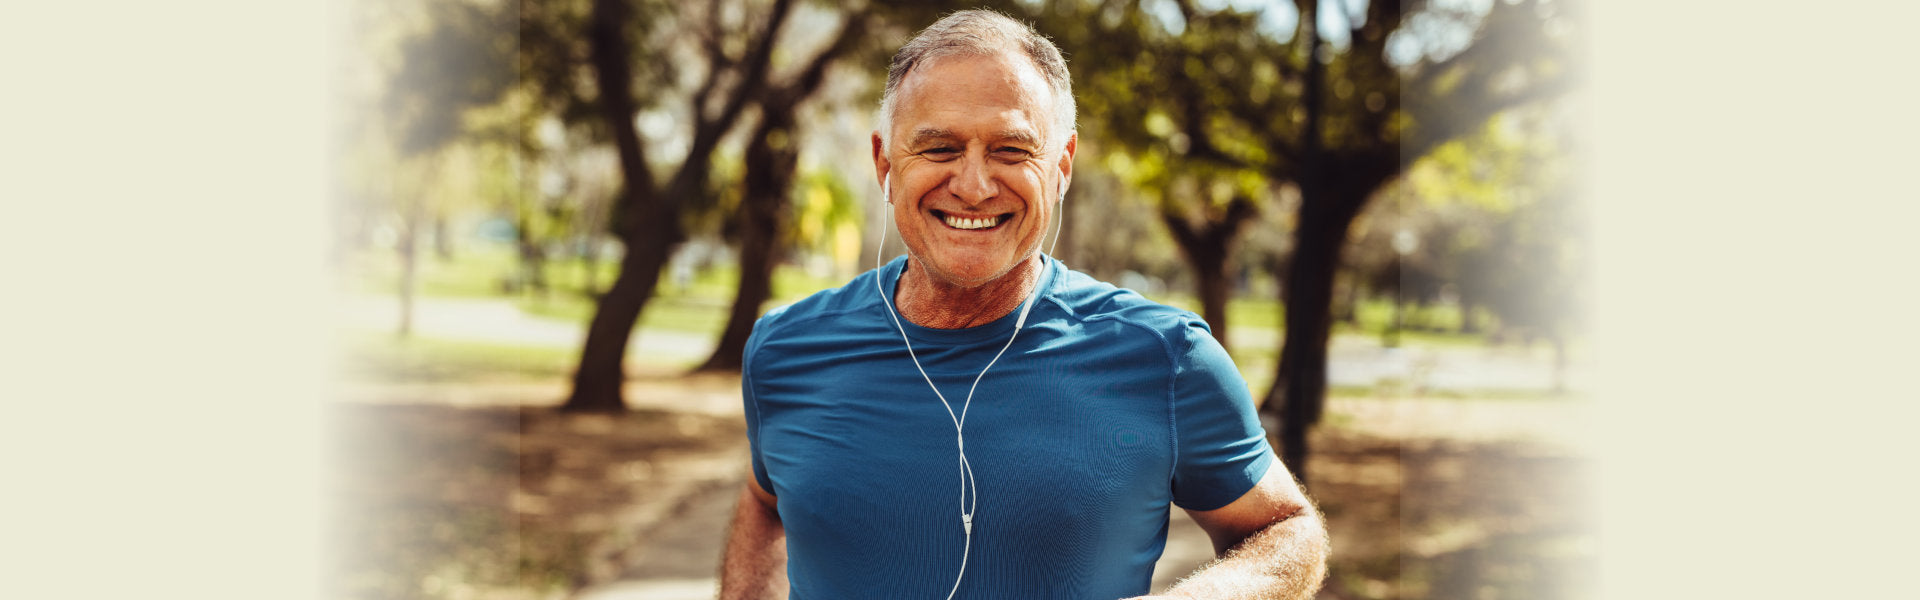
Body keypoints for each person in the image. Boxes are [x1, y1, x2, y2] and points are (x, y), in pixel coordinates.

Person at [718, 9, 1327, 600]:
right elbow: (766, 500)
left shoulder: (1166, 357)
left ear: (1061, 167)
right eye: (939, 149)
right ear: (884, 162)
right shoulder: (784, 349)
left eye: (1012, 150)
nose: (975, 185)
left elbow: (1285, 530)